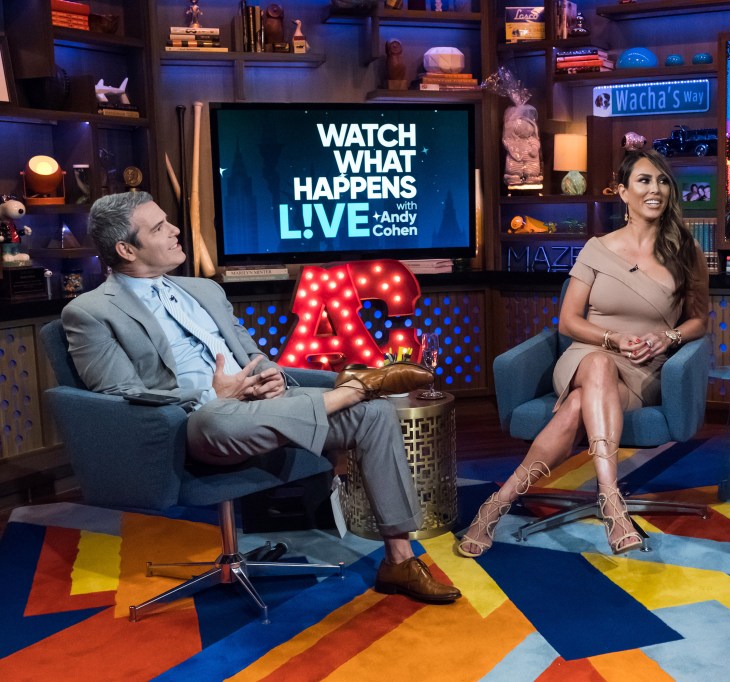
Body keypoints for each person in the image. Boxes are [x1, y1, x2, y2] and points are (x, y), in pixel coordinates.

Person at [62, 192, 460, 605]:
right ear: (126, 249)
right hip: (196, 424)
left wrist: (270, 375)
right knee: (217, 419)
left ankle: (399, 560)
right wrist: (211, 394)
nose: (175, 230)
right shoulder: (90, 311)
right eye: (160, 227)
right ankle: (358, 385)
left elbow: (250, 352)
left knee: (376, 413)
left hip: (263, 405)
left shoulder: (203, 289)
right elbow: (119, 392)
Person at [457, 150, 709, 557]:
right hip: (587, 354)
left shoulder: (686, 250)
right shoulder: (597, 248)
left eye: (663, 181)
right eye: (644, 181)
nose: (656, 189)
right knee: (596, 364)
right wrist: (611, 340)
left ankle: (496, 505)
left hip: (644, 369)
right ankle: (611, 500)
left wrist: (669, 338)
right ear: (623, 192)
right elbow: (568, 321)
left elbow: (699, 320)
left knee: (577, 406)